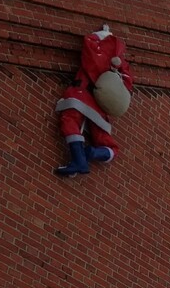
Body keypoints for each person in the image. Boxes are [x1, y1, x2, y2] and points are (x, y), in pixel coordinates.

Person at [54, 25, 133, 176]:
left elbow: (89, 54)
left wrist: (95, 37)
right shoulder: (122, 64)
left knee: (69, 121)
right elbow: (127, 86)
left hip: (81, 96)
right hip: (101, 106)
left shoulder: (97, 51)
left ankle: (78, 159)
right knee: (106, 141)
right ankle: (94, 152)